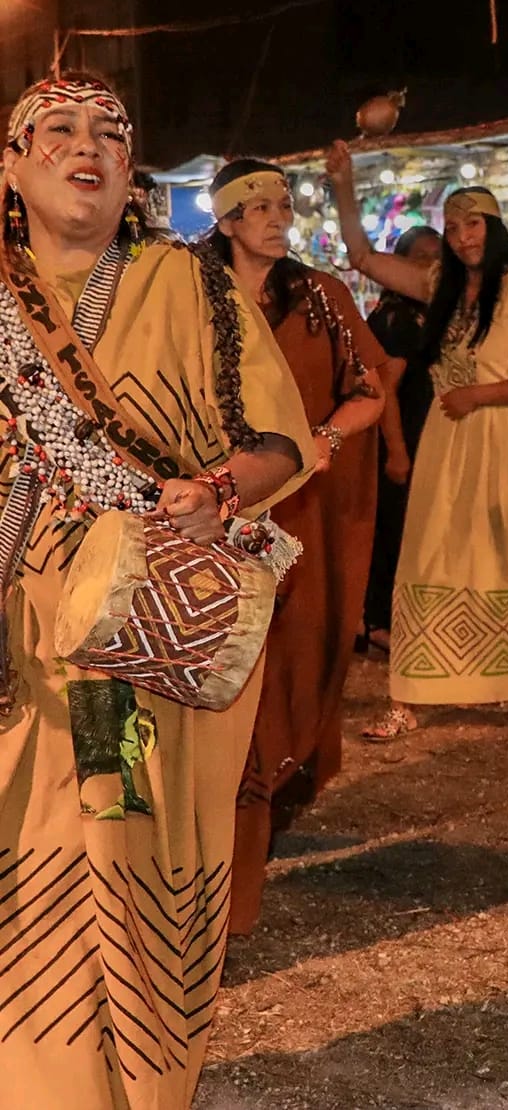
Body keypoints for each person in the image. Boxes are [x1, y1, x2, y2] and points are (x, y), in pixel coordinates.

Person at [0, 75, 313, 1107]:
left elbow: (280, 442)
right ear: (12, 166)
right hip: (12, 630)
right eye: (57, 130)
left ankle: (127, 1082)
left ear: (132, 171)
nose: (86, 147)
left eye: (110, 134)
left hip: (135, 627)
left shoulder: (186, 282)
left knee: (121, 835)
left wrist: (216, 493)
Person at [327, 141, 508, 736]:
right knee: (428, 553)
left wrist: (481, 395)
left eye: (472, 225)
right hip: (450, 443)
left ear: (493, 228)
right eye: (452, 228)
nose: (462, 237)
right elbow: (362, 256)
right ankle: (408, 697)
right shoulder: (439, 285)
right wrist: (343, 187)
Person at [205, 159, 388, 935]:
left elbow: (370, 390)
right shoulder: (191, 295)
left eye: (283, 205)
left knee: (294, 655)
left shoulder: (321, 296)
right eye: (258, 208)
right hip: (213, 512)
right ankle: (224, 861)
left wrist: (325, 439)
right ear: (225, 221)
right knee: (226, 663)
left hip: (302, 511)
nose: (277, 218)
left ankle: (265, 801)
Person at [362, 224, 442, 655]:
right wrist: (396, 450)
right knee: (396, 532)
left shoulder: (429, 312)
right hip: (405, 439)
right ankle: (380, 622)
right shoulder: (398, 318)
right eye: (421, 256)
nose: (431, 265)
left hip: (428, 440)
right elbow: (385, 388)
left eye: (438, 255)